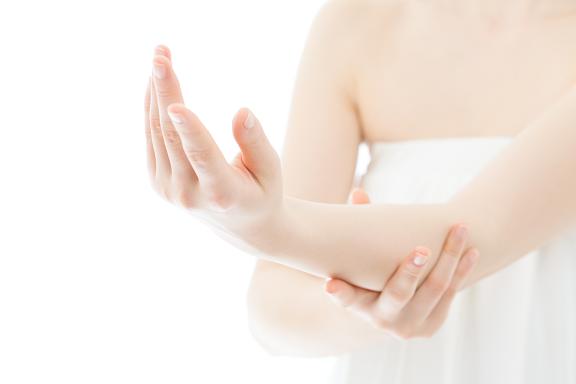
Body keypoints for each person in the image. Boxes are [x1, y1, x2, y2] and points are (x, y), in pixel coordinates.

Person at [143, 0, 576, 381]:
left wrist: (265, 224)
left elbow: (472, 232)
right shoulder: (353, 26)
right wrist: (366, 312)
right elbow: (271, 310)